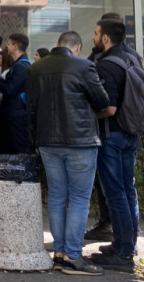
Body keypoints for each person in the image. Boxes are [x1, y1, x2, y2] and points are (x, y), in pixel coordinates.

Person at [26, 31, 109, 276]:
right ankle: (73, 255)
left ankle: (60, 252)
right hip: (79, 140)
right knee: (80, 199)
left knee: (57, 196)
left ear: (57, 46)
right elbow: (102, 101)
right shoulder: (84, 67)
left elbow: (30, 109)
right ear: (78, 47)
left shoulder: (35, 69)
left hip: (48, 141)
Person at [88, 18, 141, 273]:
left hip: (112, 135)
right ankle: (126, 245)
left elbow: (108, 108)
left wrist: (87, 114)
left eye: (97, 33)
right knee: (128, 191)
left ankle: (122, 253)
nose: (94, 37)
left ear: (106, 38)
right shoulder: (133, 57)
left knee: (116, 193)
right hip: (131, 132)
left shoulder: (107, 65)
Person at [0, 33, 31, 154]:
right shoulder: (18, 65)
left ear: (15, 46)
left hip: (16, 116)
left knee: (17, 150)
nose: (6, 46)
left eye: (9, 44)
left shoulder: (22, 66)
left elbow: (10, 89)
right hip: (13, 114)